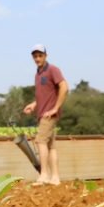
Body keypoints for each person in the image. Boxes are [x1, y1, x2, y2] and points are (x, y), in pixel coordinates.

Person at [23, 44, 68, 185]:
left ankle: (44, 175)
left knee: (40, 141)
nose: (37, 58)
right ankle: (55, 178)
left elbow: (64, 87)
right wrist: (34, 104)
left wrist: (55, 108)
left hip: (49, 115)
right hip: (42, 112)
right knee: (51, 146)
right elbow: (45, 94)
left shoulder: (53, 70)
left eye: (40, 55)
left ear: (45, 56)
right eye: (35, 56)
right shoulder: (38, 74)